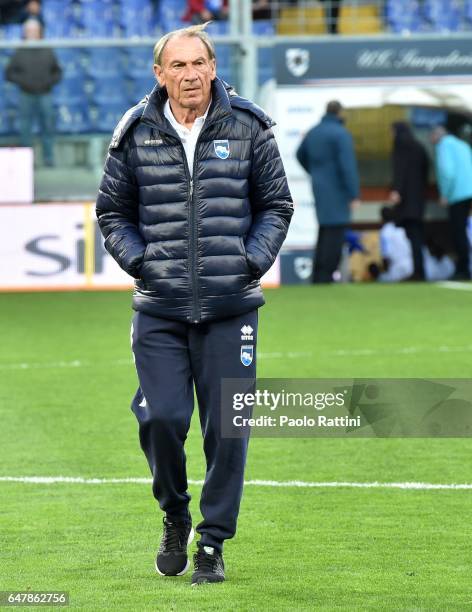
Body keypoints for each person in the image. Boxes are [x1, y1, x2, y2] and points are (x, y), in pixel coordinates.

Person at [96, 23, 293, 586]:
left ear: (213, 67)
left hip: (232, 308)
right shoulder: (135, 131)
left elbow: (276, 204)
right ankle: (174, 512)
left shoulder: (250, 127)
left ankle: (211, 542)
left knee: (228, 429)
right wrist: (143, 264)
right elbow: (112, 212)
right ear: (160, 75)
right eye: (177, 66)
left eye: (198, 64)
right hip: (159, 307)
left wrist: (249, 261)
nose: (190, 75)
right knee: (160, 418)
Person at [296, 100, 360, 283]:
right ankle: (327, 274)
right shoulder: (341, 134)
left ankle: (318, 274)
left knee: (324, 231)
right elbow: (348, 167)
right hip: (338, 190)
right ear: (340, 113)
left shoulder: (314, 132)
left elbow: (300, 154)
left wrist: (315, 172)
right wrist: (353, 193)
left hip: (319, 186)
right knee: (336, 231)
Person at [5, 18, 61, 166]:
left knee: (47, 126)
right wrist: (24, 82)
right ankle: (26, 160)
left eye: (34, 31)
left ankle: (48, 159)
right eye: (29, 31)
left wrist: (48, 82)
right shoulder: (20, 50)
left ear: (39, 32)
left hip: (45, 94)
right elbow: (9, 73)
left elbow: (57, 72)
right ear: (25, 33)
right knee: (25, 128)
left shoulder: (47, 49)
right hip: (26, 94)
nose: (32, 33)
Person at [389, 122, 430, 281]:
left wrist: (397, 190)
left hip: (406, 202)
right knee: (417, 237)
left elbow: (400, 169)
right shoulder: (418, 146)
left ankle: (418, 272)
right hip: (418, 199)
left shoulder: (400, 146)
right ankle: (419, 270)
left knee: (413, 237)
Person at [431, 125, 472, 280]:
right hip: (469, 191)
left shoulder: (444, 146)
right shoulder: (463, 144)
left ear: (437, 135)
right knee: (464, 230)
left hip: (457, 194)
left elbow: (447, 171)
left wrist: (445, 194)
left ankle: (463, 268)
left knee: (458, 231)